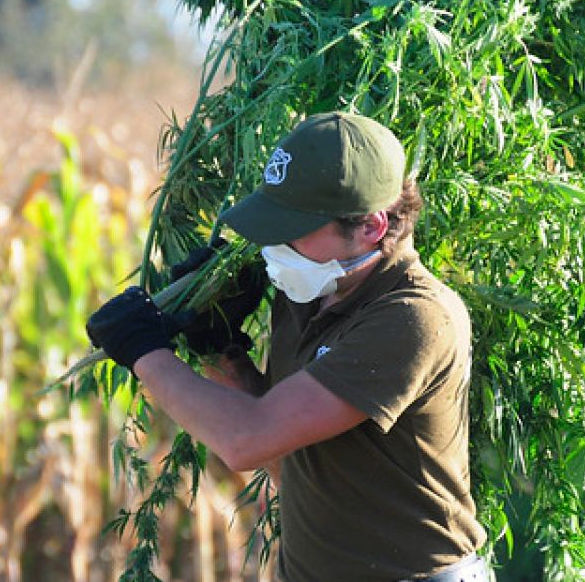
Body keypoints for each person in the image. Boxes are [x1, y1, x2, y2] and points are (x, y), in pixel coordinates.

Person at [86, 112, 492, 581]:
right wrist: (219, 346)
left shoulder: (415, 318)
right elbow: (282, 457)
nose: (274, 247)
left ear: (371, 227)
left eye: (293, 231)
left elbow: (247, 439)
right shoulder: (306, 296)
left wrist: (145, 353)